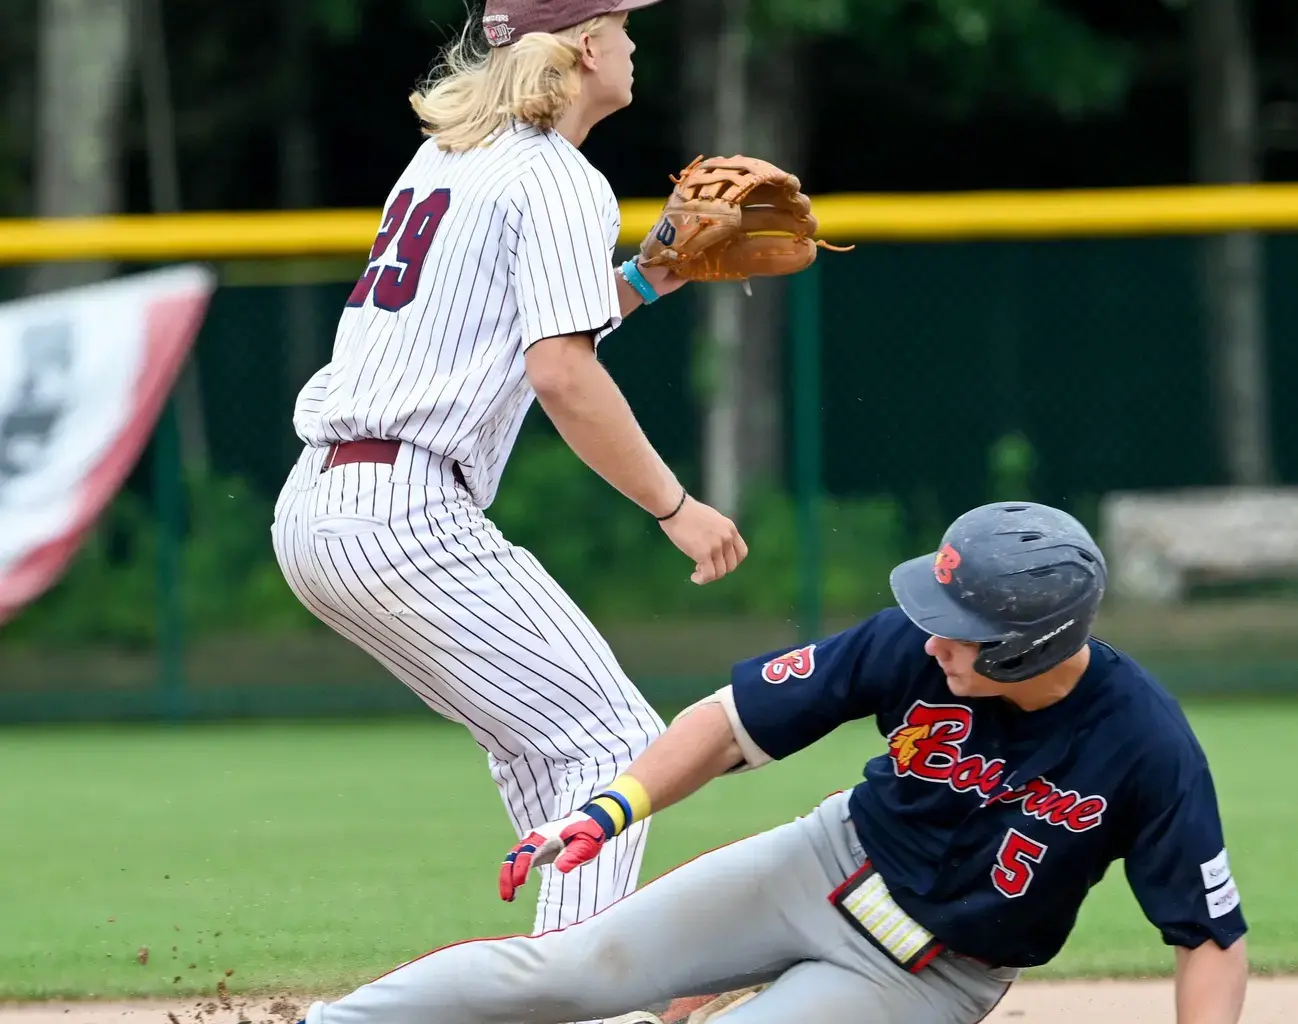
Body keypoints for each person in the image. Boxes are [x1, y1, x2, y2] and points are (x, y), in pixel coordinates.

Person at [296, 501, 1249, 1024]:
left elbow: (1206, 937)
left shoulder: (1146, 746)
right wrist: (611, 808)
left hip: (924, 976)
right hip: (820, 863)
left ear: (1025, 649)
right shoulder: (910, 644)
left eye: (960, 631)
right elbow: (727, 720)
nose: (933, 639)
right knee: (566, 973)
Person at [271, 0, 748, 966]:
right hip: (402, 510)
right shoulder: (561, 176)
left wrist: (651, 275)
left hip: (326, 502)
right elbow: (561, 373)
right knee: (615, 740)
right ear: (583, 45)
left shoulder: (453, 157)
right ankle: (569, 992)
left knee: (548, 746)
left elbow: (524, 324)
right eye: (621, 23)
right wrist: (676, 506)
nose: (632, 41)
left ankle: (553, 974)